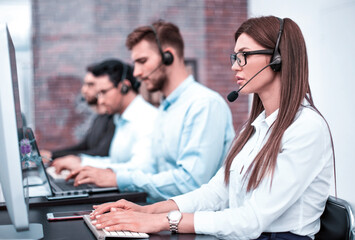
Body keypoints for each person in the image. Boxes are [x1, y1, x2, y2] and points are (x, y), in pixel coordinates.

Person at [88, 16, 334, 240]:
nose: (235, 66)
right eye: (234, 57)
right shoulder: (255, 127)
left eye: (244, 55)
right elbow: (215, 193)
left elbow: (252, 219)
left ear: (278, 59)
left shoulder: (306, 128)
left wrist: (159, 222)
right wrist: (146, 211)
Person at [67, 20, 235, 202]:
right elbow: (148, 168)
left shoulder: (204, 104)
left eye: (142, 61)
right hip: (160, 213)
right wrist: (100, 172)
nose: (137, 72)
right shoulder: (165, 109)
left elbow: (191, 183)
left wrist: (118, 179)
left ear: (168, 56)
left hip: (191, 222)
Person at [52, 59, 158, 187]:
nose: (100, 101)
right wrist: (81, 161)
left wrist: (83, 164)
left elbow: (141, 169)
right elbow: (115, 162)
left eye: (103, 93)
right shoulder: (120, 119)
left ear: (124, 86)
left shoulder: (147, 118)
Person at [40, 64, 115, 162]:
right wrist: (52, 155)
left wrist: (55, 157)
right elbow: (84, 146)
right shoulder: (99, 118)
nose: (84, 90)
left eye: (91, 84)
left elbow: (100, 153)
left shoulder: (114, 119)